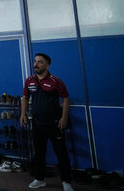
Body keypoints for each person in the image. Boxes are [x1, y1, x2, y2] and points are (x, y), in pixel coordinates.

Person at [20, 54, 74, 191]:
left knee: (61, 153)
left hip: (55, 123)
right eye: (35, 62)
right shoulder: (29, 81)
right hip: (37, 124)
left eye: (40, 62)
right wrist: (22, 114)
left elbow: (66, 99)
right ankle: (39, 179)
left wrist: (64, 118)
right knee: (39, 153)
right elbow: (25, 97)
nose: (36, 64)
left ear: (47, 66)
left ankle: (66, 182)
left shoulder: (56, 81)